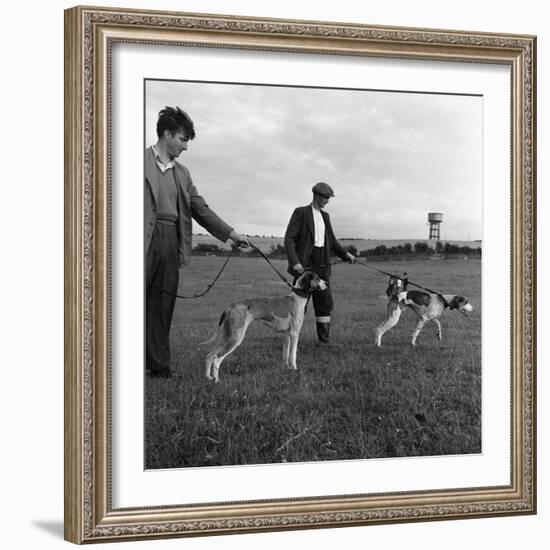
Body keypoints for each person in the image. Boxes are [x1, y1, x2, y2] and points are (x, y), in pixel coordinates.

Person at [145, 106, 249, 377]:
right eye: (182, 139)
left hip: (170, 241)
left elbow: (201, 209)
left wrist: (231, 233)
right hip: (137, 239)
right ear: (166, 134)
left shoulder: (183, 173)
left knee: (162, 307)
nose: (185, 146)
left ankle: (158, 366)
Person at [284, 182, 356, 345]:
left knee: (324, 304)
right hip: (304, 268)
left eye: (328, 198)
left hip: (323, 266)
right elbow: (289, 239)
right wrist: (295, 262)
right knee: (298, 305)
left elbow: (331, 240)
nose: (327, 201)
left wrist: (345, 254)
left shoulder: (326, 216)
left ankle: (324, 342)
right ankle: (292, 340)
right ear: (316, 195)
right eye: (325, 197)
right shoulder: (301, 213)